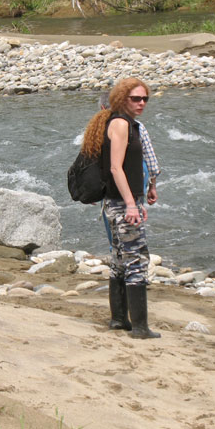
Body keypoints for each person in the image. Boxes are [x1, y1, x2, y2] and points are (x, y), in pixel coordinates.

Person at [82, 78, 159, 339]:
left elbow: (129, 168)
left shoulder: (123, 123)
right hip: (120, 204)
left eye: (145, 99)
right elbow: (116, 167)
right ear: (121, 99)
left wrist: (138, 200)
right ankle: (139, 326)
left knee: (119, 260)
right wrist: (130, 204)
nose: (141, 104)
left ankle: (118, 319)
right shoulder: (120, 124)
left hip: (121, 203)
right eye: (135, 99)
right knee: (136, 259)